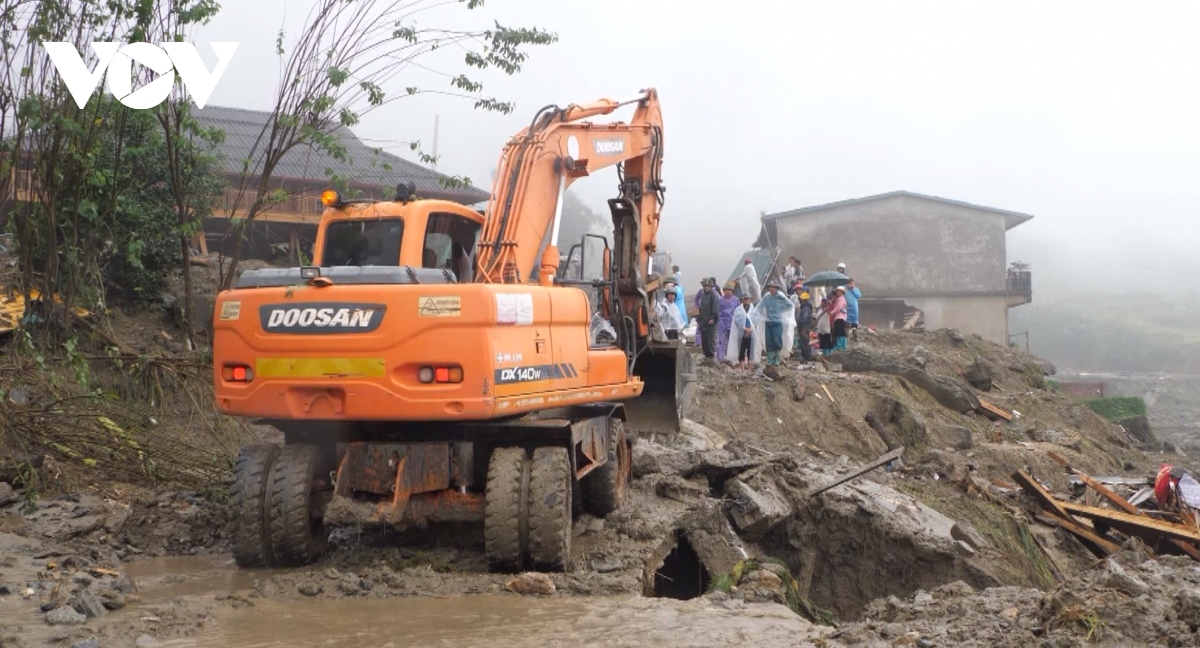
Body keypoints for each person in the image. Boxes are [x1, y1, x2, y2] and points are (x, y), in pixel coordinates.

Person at [756, 280, 793, 366]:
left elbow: (790, 305)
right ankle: (770, 359)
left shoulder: (780, 297)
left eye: (773, 287)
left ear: (776, 288)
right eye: (770, 287)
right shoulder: (766, 297)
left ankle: (777, 358)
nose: (771, 289)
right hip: (768, 321)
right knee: (769, 341)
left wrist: (781, 311)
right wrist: (763, 314)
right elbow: (760, 307)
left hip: (777, 321)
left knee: (777, 339)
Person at [727, 294, 757, 374]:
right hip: (741, 334)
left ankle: (749, 370)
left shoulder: (753, 310)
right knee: (741, 352)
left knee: (751, 352)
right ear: (742, 300)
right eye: (745, 299)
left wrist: (750, 329)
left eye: (748, 299)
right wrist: (744, 328)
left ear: (750, 299)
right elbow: (737, 320)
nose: (746, 300)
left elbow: (755, 320)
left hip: (751, 333)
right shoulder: (738, 310)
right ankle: (743, 371)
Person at [697, 277, 720, 361]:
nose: (706, 287)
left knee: (710, 339)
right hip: (703, 320)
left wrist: (713, 318)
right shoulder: (703, 294)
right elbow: (701, 307)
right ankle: (706, 354)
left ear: (711, 286)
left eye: (708, 286)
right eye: (705, 286)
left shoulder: (714, 295)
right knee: (704, 339)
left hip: (710, 321)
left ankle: (710, 356)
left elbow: (715, 308)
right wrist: (699, 318)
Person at [716, 282, 739, 364]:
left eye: (730, 290)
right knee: (720, 341)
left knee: (732, 341)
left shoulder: (736, 300)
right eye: (726, 290)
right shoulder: (720, 300)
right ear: (724, 291)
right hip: (722, 323)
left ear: (732, 291)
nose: (728, 292)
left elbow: (738, 312)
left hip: (732, 323)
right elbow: (718, 311)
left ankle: (731, 358)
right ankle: (720, 358)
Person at [794, 288, 814, 361]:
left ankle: (806, 357)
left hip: (803, 328)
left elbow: (803, 319)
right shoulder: (807, 307)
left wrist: (799, 322)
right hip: (806, 327)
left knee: (804, 343)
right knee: (805, 342)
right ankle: (807, 357)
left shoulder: (805, 308)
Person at [830, 285, 849, 351]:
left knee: (839, 331)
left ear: (842, 292)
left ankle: (839, 345)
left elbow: (838, 308)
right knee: (842, 331)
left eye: (838, 291)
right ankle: (843, 345)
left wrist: (831, 313)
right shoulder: (841, 299)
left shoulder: (841, 299)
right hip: (841, 317)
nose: (837, 292)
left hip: (839, 317)